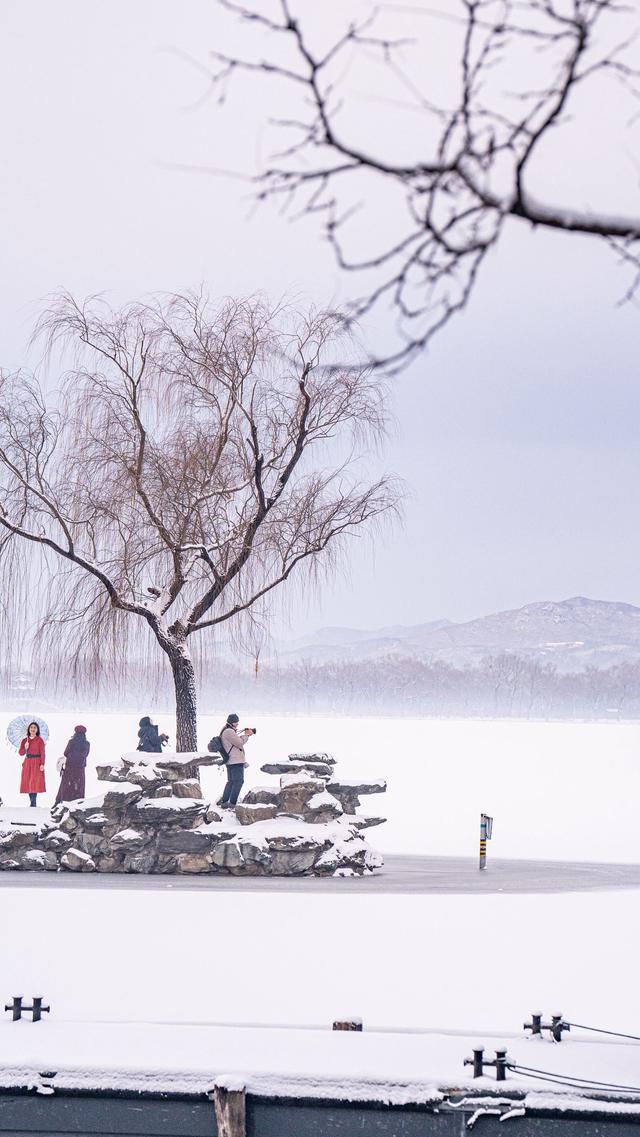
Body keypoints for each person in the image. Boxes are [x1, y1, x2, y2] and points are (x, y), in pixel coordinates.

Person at [218, 713, 255, 810]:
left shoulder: (226, 729)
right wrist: (246, 735)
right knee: (238, 782)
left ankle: (225, 802)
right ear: (232, 722)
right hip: (235, 761)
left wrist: (242, 733)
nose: (237, 724)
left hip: (231, 760)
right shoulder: (229, 731)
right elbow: (239, 743)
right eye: (236, 722)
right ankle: (232, 804)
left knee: (231, 782)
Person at [55, 725, 90, 805]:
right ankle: (78, 804)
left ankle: (60, 803)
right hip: (80, 769)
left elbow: (65, 753)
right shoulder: (87, 744)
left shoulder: (71, 742)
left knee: (66, 785)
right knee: (79, 787)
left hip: (69, 767)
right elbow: (85, 755)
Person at [19, 721, 46, 807]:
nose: (33, 729)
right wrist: (25, 747)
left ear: (37, 729)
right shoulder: (24, 740)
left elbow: (43, 753)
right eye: (31, 727)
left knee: (34, 782)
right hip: (27, 762)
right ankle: (32, 802)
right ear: (29, 729)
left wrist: (42, 764)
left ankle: (33, 803)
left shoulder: (40, 740)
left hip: (36, 762)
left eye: (34, 727)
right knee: (28, 782)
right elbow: (21, 753)